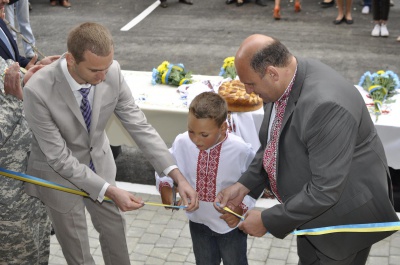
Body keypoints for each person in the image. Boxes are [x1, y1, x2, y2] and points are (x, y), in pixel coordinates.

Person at [22, 22, 198, 265]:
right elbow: (59, 158)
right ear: (71, 60)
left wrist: (176, 175)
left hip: (101, 167)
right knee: (79, 252)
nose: (103, 77)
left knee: (116, 237)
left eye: (107, 67)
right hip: (59, 177)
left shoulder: (111, 71)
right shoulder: (37, 90)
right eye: (95, 70)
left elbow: (139, 126)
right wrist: (109, 191)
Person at [214, 34, 399, 264]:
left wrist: (267, 221)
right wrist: (245, 185)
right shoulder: (284, 80)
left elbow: (325, 190)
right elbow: (273, 144)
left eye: (250, 84)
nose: (249, 92)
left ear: (272, 72)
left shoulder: (326, 105)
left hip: (341, 225)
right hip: (310, 214)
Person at [156, 91, 256, 265]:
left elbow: (255, 181)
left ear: (223, 128)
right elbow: (165, 166)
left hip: (230, 226)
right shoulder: (182, 143)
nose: (196, 140)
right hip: (198, 223)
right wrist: (166, 187)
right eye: (191, 131)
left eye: (204, 135)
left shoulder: (240, 150)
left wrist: (241, 209)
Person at [0, 55, 50, 263]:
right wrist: (13, 101)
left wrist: (26, 76)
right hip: (8, 206)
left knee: (38, 255)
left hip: (32, 190)